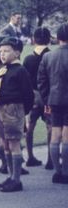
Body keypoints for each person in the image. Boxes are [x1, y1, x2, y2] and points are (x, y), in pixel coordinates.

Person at [0, 37, 34, 192]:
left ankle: (16, 179)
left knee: (14, 143)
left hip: (13, 108)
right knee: (5, 143)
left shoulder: (20, 70)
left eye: (7, 51)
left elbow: (28, 94)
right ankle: (10, 176)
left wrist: (23, 113)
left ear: (17, 52)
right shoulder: (2, 69)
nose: (2, 54)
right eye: (1, 51)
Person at [37, 24, 68, 184]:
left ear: (57, 37)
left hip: (54, 100)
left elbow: (41, 81)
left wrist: (47, 98)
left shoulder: (48, 56)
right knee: (67, 136)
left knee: (55, 135)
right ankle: (66, 171)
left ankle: (57, 171)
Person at [22, 27, 52, 169]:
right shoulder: (51, 56)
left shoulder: (28, 59)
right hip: (48, 96)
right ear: (49, 39)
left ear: (33, 40)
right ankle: (50, 159)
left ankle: (30, 156)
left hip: (33, 96)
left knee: (30, 127)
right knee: (50, 127)